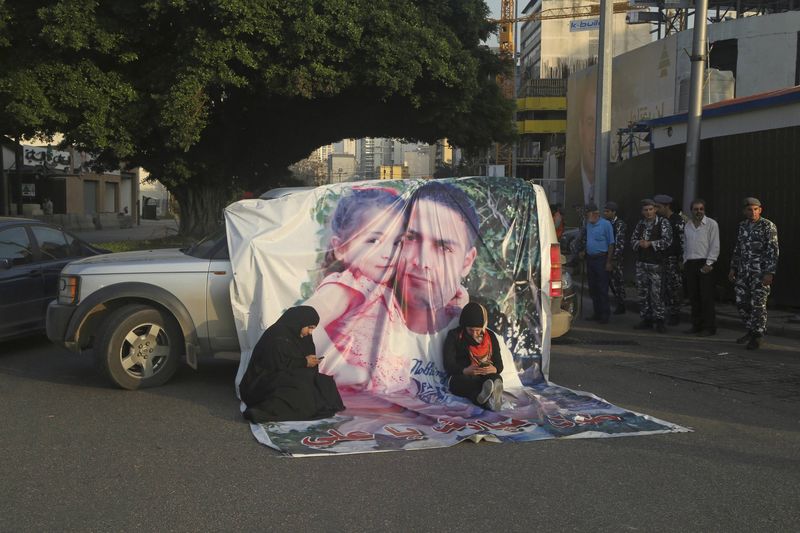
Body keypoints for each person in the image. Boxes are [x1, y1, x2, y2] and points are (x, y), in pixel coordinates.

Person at [305, 187, 411, 392]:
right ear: (341, 248)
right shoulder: (347, 286)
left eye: (397, 242)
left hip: (388, 395)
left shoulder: (384, 290)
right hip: (354, 396)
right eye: (373, 241)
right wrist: (338, 367)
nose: (389, 253)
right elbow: (304, 320)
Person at [395, 181, 478, 336]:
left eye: (444, 248)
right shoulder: (350, 329)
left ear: (467, 263)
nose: (422, 262)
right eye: (411, 238)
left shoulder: (487, 347)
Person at [239, 306, 344, 423]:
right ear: (299, 322)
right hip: (263, 381)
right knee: (300, 384)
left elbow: (304, 361)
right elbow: (274, 364)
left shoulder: (304, 336)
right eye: (309, 327)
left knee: (323, 382)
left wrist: (311, 362)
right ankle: (263, 411)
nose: (310, 332)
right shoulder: (277, 334)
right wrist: (304, 362)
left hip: (289, 374)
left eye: (313, 329)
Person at [728, 197, 779, 350]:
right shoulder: (742, 226)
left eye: (755, 209)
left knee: (758, 304)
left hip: (760, 272)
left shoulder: (767, 226)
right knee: (741, 302)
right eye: (749, 209)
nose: (752, 212)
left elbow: (773, 251)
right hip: (744, 272)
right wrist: (733, 268)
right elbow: (738, 248)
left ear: (760, 210)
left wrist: (769, 272)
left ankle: (758, 335)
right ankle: (751, 329)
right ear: (744, 211)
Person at [443, 302, 504, 411]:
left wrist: (493, 369)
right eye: (470, 330)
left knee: (496, 378)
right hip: (463, 375)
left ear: (483, 326)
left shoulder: (490, 337)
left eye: (478, 330)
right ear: (464, 326)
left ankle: (488, 396)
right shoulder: (454, 336)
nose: (474, 334)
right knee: (460, 383)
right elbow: (448, 364)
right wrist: (465, 370)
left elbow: (499, 364)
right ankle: (487, 399)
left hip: (485, 377)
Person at [630, 199, 673, 332]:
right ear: (642, 212)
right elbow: (632, 241)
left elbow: (667, 241)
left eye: (650, 209)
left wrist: (651, 244)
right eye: (645, 210)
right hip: (642, 264)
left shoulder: (663, 222)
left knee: (656, 294)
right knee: (643, 293)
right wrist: (639, 243)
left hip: (656, 265)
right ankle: (646, 319)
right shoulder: (641, 224)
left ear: (655, 209)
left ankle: (659, 320)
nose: (648, 212)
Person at [683, 199, 720, 336]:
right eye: (695, 209)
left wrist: (709, 263)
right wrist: (685, 260)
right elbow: (685, 245)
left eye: (701, 209)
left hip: (705, 263)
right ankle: (696, 325)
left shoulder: (711, 224)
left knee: (706, 297)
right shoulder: (688, 225)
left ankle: (709, 327)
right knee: (694, 297)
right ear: (691, 211)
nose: (698, 212)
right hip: (690, 263)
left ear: (704, 210)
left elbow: (715, 245)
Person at [578, 203, 615, 323]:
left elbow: (611, 244)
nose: (586, 216)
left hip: (601, 259)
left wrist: (609, 262)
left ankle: (605, 314)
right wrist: (584, 251)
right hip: (590, 259)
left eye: (587, 213)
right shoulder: (588, 224)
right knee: (593, 287)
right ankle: (597, 312)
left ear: (595, 214)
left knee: (602, 288)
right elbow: (589, 240)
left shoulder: (606, 224)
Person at [654, 194, 685, 325]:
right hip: (663, 258)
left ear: (667, 206)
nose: (656, 209)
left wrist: (681, 259)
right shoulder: (660, 220)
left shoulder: (677, 221)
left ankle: (675, 314)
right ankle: (667, 312)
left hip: (674, 259)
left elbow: (683, 241)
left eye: (658, 207)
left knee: (674, 287)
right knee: (664, 287)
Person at [603, 201, 627, 314]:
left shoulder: (619, 224)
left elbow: (619, 242)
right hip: (606, 256)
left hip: (616, 259)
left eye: (607, 211)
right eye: (605, 211)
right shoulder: (605, 223)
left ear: (614, 212)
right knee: (609, 282)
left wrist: (614, 259)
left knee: (617, 282)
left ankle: (621, 304)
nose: (605, 213)